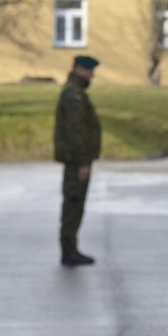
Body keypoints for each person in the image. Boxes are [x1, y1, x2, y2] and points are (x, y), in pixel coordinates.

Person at [54, 54, 102, 267]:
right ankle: (68, 250)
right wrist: (83, 162)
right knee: (73, 204)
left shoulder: (76, 93)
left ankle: (71, 248)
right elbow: (76, 132)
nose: (92, 75)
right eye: (89, 71)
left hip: (77, 159)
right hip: (76, 161)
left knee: (75, 205)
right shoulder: (74, 95)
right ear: (80, 69)